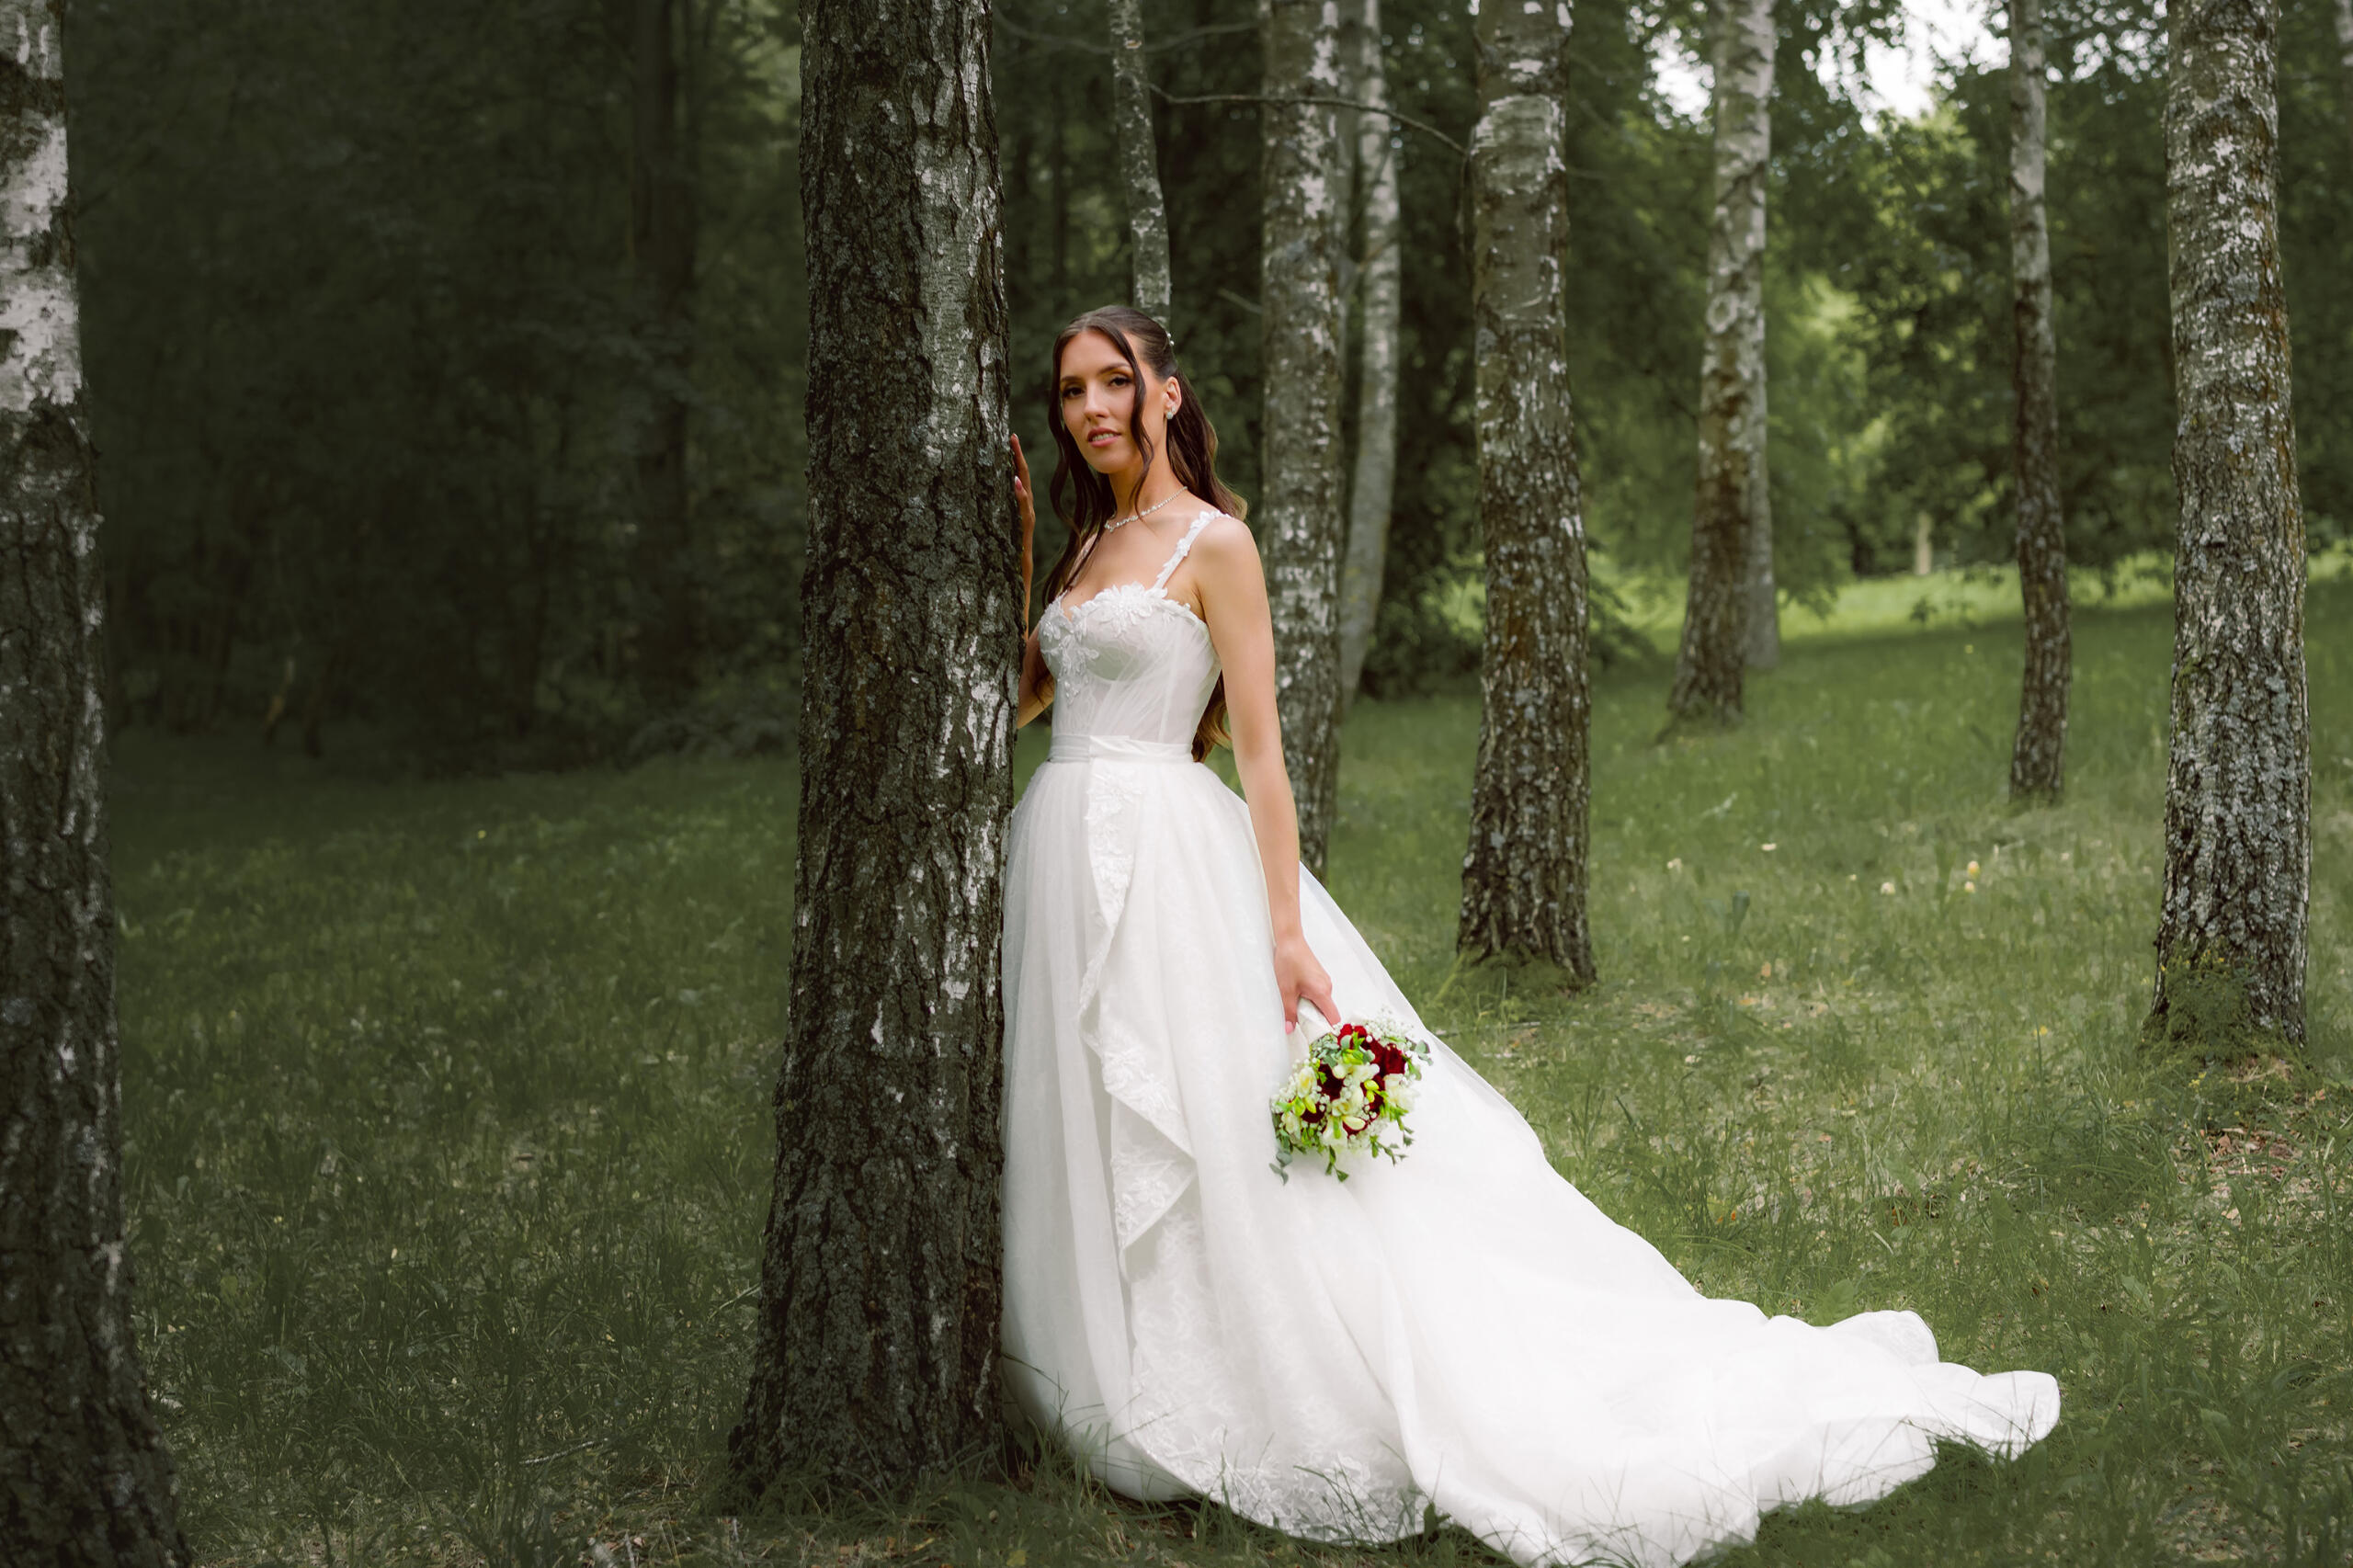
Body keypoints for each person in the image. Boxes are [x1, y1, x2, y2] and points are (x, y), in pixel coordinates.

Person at [997, 305, 2059, 1568]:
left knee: (1213, 1125)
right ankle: (1106, 1368)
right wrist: (1023, 556)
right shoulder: (1087, 544)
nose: (1093, 408)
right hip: (1059, 852)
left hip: (1174, 859)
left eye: (1116, 381)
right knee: (1091, 1112)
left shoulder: (1216, 544)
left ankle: (1244, 1376)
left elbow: (1265, 751)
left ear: (1168, 393)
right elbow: (1026, 696)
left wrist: (1285, 928)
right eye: (1071, 391)